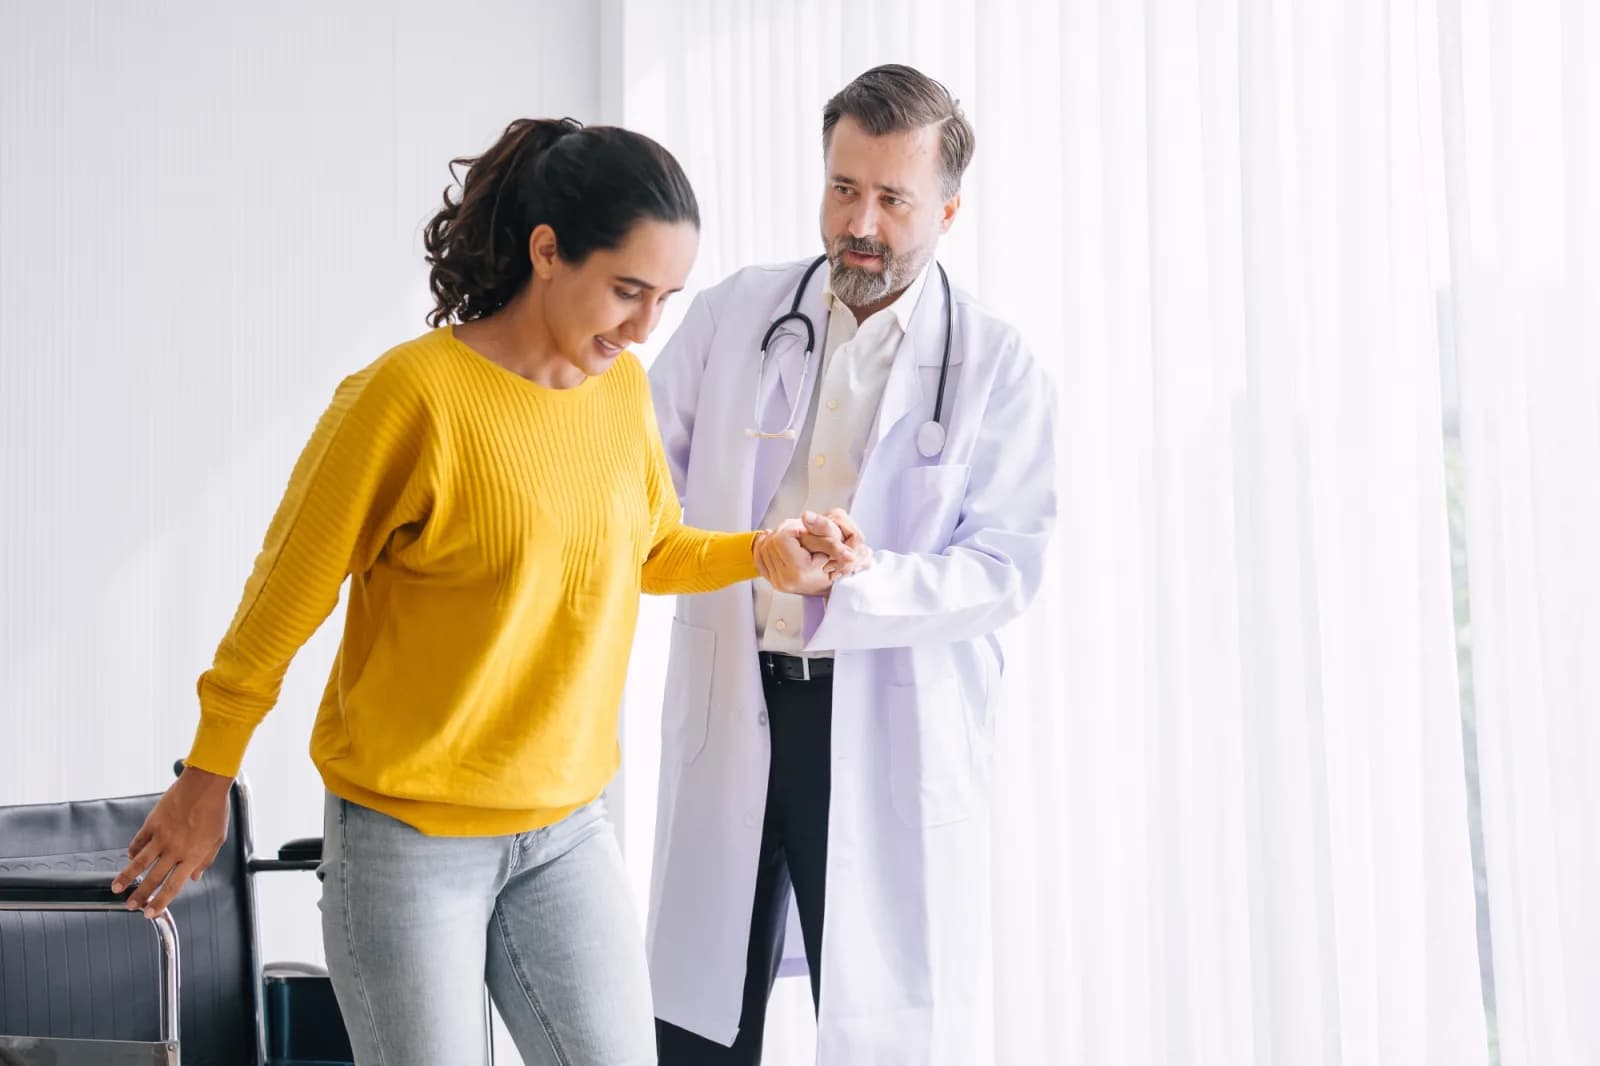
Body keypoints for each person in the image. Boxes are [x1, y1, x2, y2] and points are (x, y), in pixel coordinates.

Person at [110, 117, 856, 1066]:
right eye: (626, 291)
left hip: (564, 833)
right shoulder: (407, 399)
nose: (642, 328)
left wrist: (763, 551)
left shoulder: (618, 392)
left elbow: (646, 549)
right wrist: (206, 777)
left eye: (664, 298)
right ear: (548, 251)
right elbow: (282, 602)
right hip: (408, 845)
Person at [647, 65, 1059, 1064]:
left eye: (891, 198)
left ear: (948, 209)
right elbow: (636, 480)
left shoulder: (995, 365)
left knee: (877, 1026)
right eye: (843, 188)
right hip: (742, 707)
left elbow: (1006, 564)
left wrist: (866, 578)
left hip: (883, 724)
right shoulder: (734, 316)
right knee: (696, 1025)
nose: (859, 221)